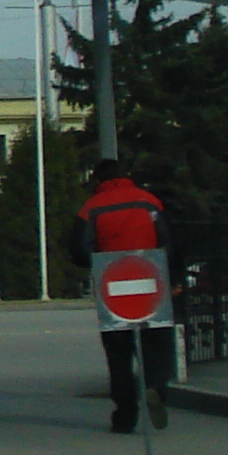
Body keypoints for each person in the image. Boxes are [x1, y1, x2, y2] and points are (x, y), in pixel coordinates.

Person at [73, 161, 174, 433]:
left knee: (119, 356)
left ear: (99, 179)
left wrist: (100, 260)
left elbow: (79, 250)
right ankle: (155, 387)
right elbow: (167, 240)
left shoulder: (92, 207)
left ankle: (125, 414)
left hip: (113, 286)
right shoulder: (148, 201)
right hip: (150, 280)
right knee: (156, 347)